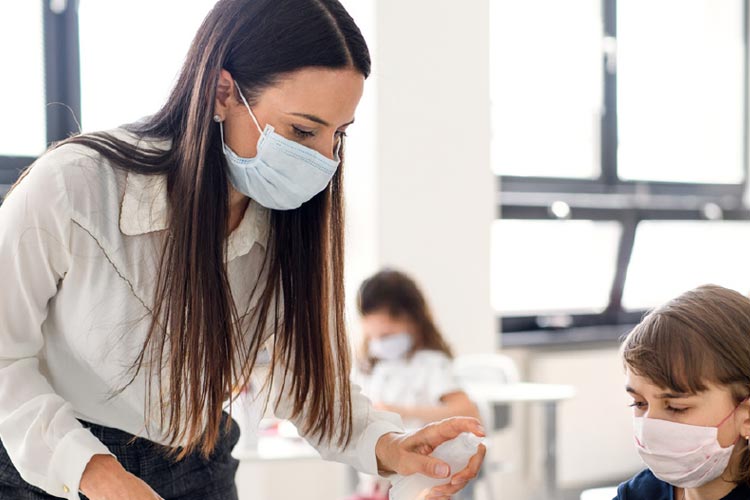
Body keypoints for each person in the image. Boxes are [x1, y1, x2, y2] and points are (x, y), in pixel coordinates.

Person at [0, 1, 485, 499]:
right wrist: (95, 472)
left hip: (196, 460)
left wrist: (385, 444)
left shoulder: (280, 222)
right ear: (222, 91)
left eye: (338, 134)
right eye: (302, 130)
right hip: (47, 459)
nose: (324, 161)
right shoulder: (74, 186)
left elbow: (297, 377)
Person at [350, 269, 479, 500]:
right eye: (375, 337)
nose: (381, 344)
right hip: (375, 487)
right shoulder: (370, 367)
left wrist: (402, 412)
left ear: (413, 321)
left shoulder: (431, 364)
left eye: (388, 335)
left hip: (419, 486)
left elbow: (468, 412)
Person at [618, 284, 750, 500]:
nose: (651, 424)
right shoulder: (640, 492)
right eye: (639, 403)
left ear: (746, 416)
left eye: (676, 407)